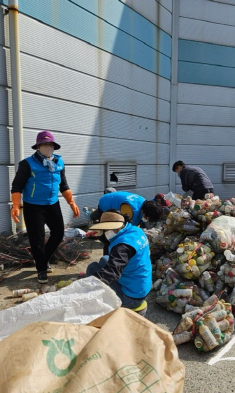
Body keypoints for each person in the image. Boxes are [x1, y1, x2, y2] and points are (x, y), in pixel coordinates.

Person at [10, 130, 80, 284]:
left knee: (58, 233)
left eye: (50, 145)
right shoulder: (27, 164)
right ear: (38, 147)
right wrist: (15, 205)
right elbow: (17, 186)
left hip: (52, 204)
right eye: (44, 144)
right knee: (37, 239)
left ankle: (43, 259)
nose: (47, 147)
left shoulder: (59, 162)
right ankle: (41, 268)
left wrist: (72, 202)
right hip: (33, 206)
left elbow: (63, 185)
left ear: (54, 147)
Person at [85, 211, 151, 316]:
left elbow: (112, 272)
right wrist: (99, 235)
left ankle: (96, 302)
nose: (105, 232)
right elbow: (114, 238)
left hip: (130, 297)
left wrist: (85, 285)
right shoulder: (135, 230)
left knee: (92, 268)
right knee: (105, 259)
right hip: (143, 287)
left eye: (105, 229)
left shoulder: (122, 248)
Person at [91, 191, 163, 227]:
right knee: (104, 224)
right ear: (145, 212)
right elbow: (122, 226)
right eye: (148, 217)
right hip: (106, 202)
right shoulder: (129, 210)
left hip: (116, 199)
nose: (147, 219)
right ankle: (91, 217)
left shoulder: (145, 202)